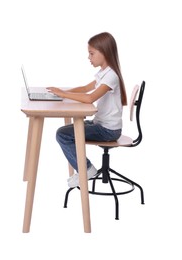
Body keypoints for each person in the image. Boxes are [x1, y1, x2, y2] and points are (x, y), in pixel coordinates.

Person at [47, 32, 127, 188]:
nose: (88, 57)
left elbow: (90, 98)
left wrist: (64, 94)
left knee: (62, 134)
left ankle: (86, 169)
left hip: (108, 130)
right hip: (101, 125)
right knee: (67, 132)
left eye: (91, 53)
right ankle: (85, 169)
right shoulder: (104, 73)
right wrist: (63, 93)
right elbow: (85, 88)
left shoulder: (111, 76)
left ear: (104, 52)